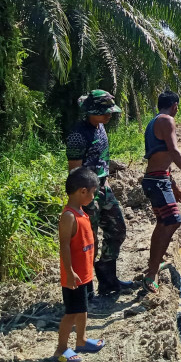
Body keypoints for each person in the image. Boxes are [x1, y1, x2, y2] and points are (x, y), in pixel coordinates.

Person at [65, 89, 133, 295]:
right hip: (86, 194)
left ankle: (107, 278)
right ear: (92, 112)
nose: (109, 115)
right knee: (88, 242)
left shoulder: (100, 127)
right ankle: (85, 289)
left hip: (103, 188)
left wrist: (105, 184)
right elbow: (74, 172)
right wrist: (80, 202)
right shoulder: (78, 135)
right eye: (105, 112)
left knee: (118, 230)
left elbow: (102, 160)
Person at [141, 91, 181, 292]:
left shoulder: (154, 122)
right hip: (157, 181)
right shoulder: (167, 120)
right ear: (175, 106)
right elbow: (173, 151)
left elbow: (162, 156)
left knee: (163, 222)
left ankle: (155, 262)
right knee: (173, 221)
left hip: (157, 179)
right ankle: (152, 272)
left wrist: (174, 184)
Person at [56, 167, 105, 362]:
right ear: (82, 191)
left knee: (83, 309)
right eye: (92, 193)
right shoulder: (69, 216)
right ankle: (61, 348)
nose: (93, 197)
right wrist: (69, 272)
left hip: (84, 274)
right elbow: (64, 246)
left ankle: (81, 340)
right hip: (73, 276)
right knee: (72, 312)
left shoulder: (81, 212)